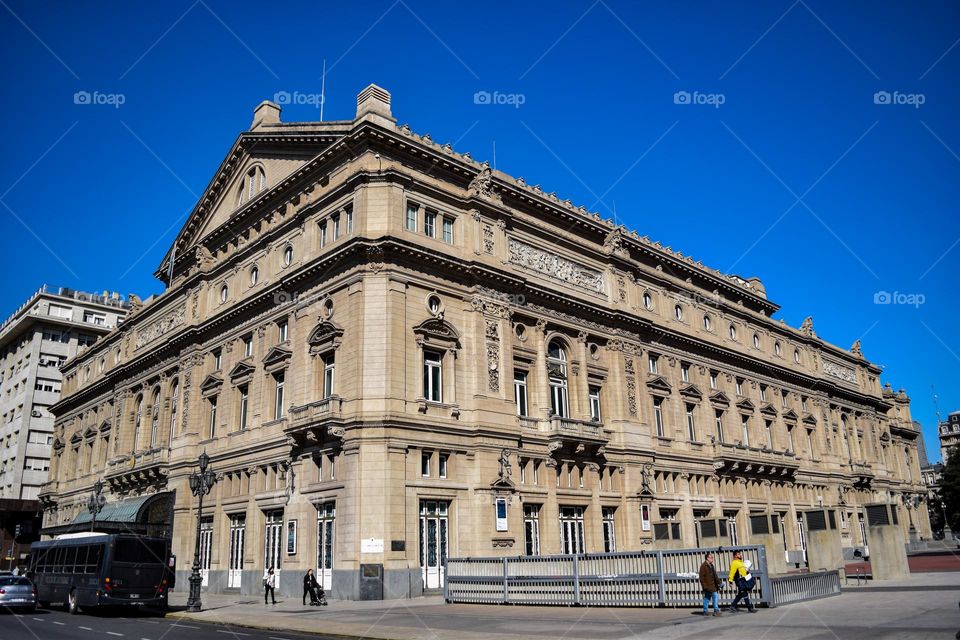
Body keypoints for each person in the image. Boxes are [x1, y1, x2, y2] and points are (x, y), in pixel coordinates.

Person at [698, 552, 722, 616]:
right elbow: (701, 578)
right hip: (708, 586)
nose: (712, 559)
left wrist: (719, 583)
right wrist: (704, 586)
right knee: (715, 596)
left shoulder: (711, 566)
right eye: (711, 558)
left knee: (707, 598)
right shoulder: (703, 566)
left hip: (713, 586)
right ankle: (716, 610)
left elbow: (715, 576)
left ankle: (705, 611)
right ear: (707, 558)